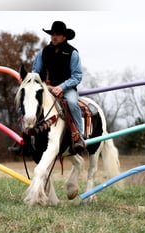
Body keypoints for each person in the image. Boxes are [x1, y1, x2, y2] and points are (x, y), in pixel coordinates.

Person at [33, 21, 85, 152]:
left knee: (73, 103)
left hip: (67, 89)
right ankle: (26, 135)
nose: (54, 37)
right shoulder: (44, 52)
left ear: (64, 37)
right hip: (47, 87)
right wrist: (43, 85)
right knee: (30, 101)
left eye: (57, 34)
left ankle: (79, 136)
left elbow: (77, 76)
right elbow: (36, 71)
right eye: (52, 34)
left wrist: (62, 87)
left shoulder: (72, 53)